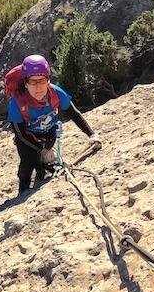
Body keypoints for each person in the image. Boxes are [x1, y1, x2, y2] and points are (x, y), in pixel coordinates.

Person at [8, 54, 101, 194]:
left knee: (42, 161)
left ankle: (41, 170)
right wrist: (42, 150)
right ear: (26, 83)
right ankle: (23, 189)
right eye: (33, 82)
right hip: (27, 139)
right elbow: (20, 134)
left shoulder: (56, 93)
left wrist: (92, 134)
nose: (38, 87)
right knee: (27, 163)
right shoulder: (17, 105)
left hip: (48, 133)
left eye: (42, 80)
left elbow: (74, 114)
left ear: (48, 80)